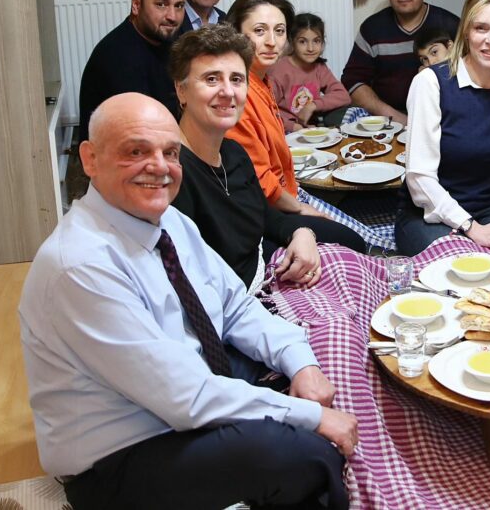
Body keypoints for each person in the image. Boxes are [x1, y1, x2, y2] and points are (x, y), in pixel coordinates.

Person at [20, 93, 357, 510]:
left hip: (179, 392)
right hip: (123, 454)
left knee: (310, 369)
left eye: (170, 153)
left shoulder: (169, 222)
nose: (159, 167)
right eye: (136, 151)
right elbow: (188, 400)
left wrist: (300, 363)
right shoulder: (79, 265)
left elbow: (235, 306)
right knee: (307, 454)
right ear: (89, 159)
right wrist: (311, 418)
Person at [170, 25, 366, 292]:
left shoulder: (233, 152)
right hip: (237, 299)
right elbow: (190, 283)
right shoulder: (173, 173)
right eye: (212, 79)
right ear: (181, 91)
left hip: (262, 261)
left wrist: (302, 233)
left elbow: (263, 214)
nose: (228, 92)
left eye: (236, 79)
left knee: (354, 249)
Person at [395, 0, 490, 255]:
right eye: (481, 28)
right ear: (466, 32)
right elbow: (419, 178)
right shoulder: (431, 83)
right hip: (429, 214)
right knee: (466, 272)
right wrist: (472, 229)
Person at [68, 0, 186, 202]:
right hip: (119, 164)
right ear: (136, 5)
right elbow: (143, 135)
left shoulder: (164, 39)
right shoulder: (119, 56)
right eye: (161, 4)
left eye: (179, 6)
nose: (172, 16)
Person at [223, 0, 326, 216]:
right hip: (266, 210)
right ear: (237, 34)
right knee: (353, 239)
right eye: (259, 31)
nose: (272, 42)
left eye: (279, 31)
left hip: (285, 193)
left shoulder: (262, 79)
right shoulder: (238, 92)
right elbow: (258, 178)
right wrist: (300, 208)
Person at [341, 0, 460, 125]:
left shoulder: (450, 25)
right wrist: (397, 119)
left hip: (443, 117)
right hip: (387, 118)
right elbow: (352, 80)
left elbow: (471, 75)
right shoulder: (372, 28)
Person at [268, 13, 352, 131]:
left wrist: (313, 105)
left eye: (316, 41)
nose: (311, 48)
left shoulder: (319, 67)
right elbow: (266, 110)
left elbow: (343, 96)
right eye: (303, 42)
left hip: (312, 127)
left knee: (354, 112)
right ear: (292, 41)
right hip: (284, 128)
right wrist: (293, 127)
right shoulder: (279, 70)